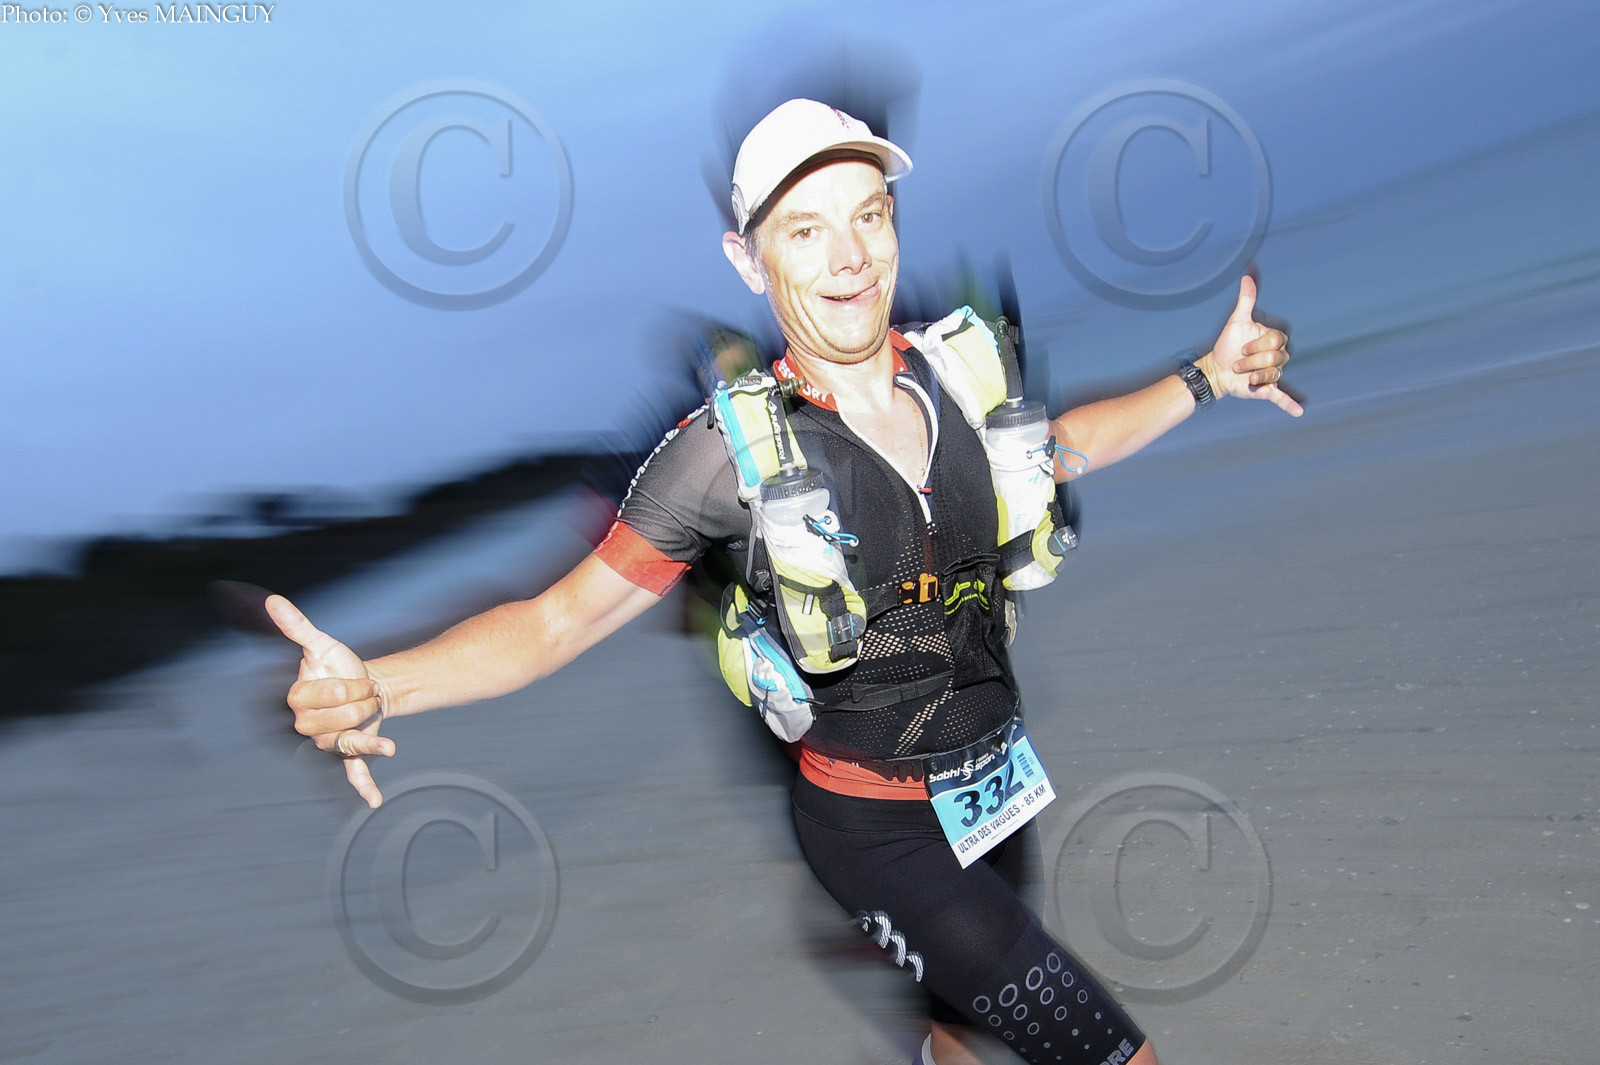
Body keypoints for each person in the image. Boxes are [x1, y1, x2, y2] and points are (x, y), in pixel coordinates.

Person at [269, 99, 1299, 1065]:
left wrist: (1208, 376)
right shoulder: (720, 456)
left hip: (1000, 792)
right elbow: (555, 622)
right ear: (749, 260)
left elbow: (1063, 444)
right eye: (805, 231)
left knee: (962, 1033)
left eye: (869, 216)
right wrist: (381, 685)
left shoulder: (955, 373)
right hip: (879, 831)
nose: (850, 258)